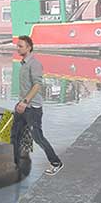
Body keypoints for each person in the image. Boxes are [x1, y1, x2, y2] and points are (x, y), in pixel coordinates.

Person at [12, 35, 64, 176]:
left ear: (29, 47)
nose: (17, 48)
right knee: (12, 133)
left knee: (38, 137)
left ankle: (56, 163)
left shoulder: (34, 64)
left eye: (20, 46)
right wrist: (21, 103)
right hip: (22, 105)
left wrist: (25, 102)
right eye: (17, 46)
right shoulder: (23, 63)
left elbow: (37, 85)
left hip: (32, 108)